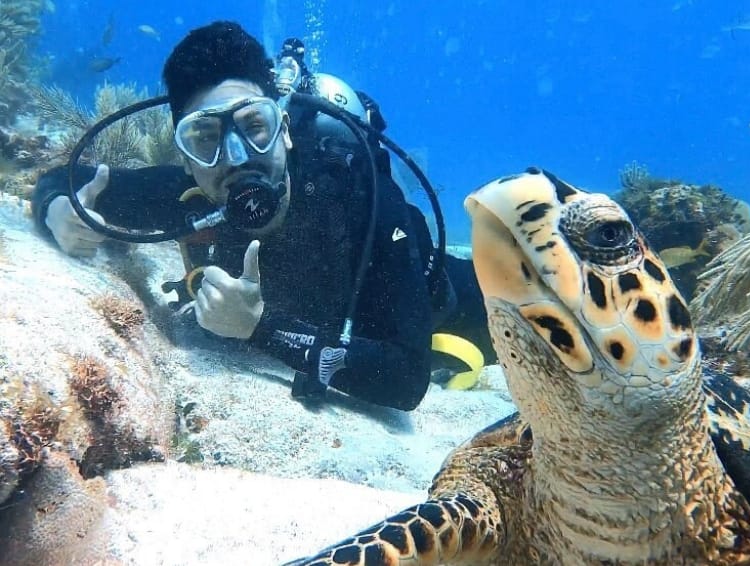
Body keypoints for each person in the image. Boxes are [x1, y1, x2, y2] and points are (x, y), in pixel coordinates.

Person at [31, 21, 493, 411]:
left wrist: (258, 328)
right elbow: (66, 180)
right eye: (205, 138)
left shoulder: (357, 195)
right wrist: (57, 211)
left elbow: (406, 380)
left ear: (285, 131)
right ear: (186, 159)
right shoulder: (192, 197)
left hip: (463, 309)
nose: (235, 157)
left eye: (255, 127)